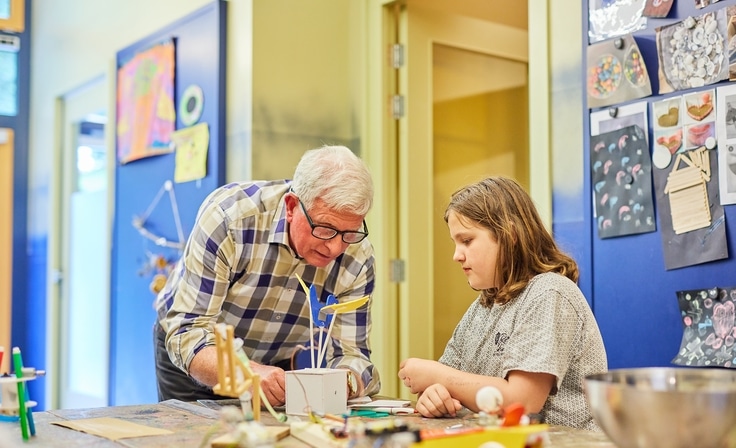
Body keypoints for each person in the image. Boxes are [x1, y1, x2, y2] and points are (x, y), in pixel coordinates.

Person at [154, 145, 381, 405]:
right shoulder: (230, 219)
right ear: (292, 206)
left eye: (349, 232)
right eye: (326, 229)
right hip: (200, 352)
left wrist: (346, 380)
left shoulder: (357, 258)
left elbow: (353, 354)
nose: (336, 247)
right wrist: (246, 373)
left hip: (276, 362)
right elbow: (188, 332)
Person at [397, 176, 607, 430]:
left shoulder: (549, 293)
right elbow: (450, 386)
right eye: (455, 243)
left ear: (510, 234)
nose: (456, 255)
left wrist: (437, 376)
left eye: (467, 240)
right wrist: (434, 395)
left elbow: (524, 400)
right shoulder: (483, 306)